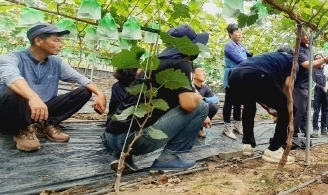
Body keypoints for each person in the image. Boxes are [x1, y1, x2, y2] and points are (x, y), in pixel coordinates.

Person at [102, 25, 210, 173]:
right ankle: (169, 158)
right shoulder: (181, 63)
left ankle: (123, 157)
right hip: (135, 139)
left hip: (110, 137)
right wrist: (196, 96)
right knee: (201, 106)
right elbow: (189, 105)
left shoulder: (151, 62)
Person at [0, 23, 107, 152]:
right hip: (7, 114)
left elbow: (81, 79)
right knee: (13, 92)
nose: (61, 44)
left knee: (85, 91)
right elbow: (12, 77)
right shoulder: (11, 58)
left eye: (61, 41)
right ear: (38, 41)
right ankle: (23, 129)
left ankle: (47, 124)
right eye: (56, 40)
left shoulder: (56, 63)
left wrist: (100, 94)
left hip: (39, 112)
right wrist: (32, 97)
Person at [228, 45, 296, 164]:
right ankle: (274, 149)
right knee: (289, 108)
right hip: (257, 75)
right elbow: (288, 85)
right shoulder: (292, 60)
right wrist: (285, 108)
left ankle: (247, 144)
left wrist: (269, 108)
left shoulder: (268, 57)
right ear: (291, 54)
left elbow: (257, 93)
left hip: (235, 76)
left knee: (249, 106)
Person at [293, 30, 328, 137]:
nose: (307, 37)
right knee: (299, 110)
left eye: (308, 35)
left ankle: (306, 132)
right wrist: (325, 59)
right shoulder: (299, 50)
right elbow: (307, 65)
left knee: (307, 111)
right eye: (303, 35)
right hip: (300, 85)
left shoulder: (309, 48)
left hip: (307, 85)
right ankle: (293, 133)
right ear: (298, 36)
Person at [222, 23, 252, 140]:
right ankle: (227, 128)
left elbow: (248, 56)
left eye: (240, 31)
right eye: (237, 31)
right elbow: (240, 60)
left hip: (241, 75)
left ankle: (237, 125)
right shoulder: (229, 45)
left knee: (239, 102)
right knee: (229, 101)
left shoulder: (241, 45)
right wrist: (250, 61)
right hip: (232, 75)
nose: (240, 33)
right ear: (230, 34)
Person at [192, 66, 219, 138]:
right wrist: (205, 116)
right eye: (201, 71)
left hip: (200, 110)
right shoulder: (191, 87)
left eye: (204, 72)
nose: (204, 74)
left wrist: (204, 99)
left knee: (214, 106)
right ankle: (191, 129)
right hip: (191, 111)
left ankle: (199, 128)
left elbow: (216, 99)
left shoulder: (204, 87)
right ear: (193, 75)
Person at [311, 54, 328, 138]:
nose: (318, 60)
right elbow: (312, 82)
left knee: (325, 111)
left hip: (327, 93)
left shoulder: (326, 69)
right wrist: (322, 88)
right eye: (316, 59)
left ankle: (324, 129)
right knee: (316, 112)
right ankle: (315, 130)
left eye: (320, 58)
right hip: (318, 93)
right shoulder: (313, 70)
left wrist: (327, 88)